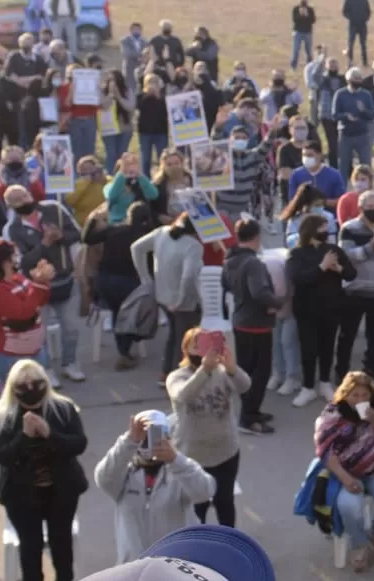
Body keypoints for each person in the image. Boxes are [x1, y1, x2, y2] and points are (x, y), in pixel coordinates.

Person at [0, 359, 88, 581]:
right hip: (21, 495)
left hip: (61, 490)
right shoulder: (3, 416)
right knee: (30, 547)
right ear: (13, 389)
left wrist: (50, 434)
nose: (30, 390)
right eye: (23, 385)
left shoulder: (63, 409)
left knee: (61, 544)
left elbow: (79, 444)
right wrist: (23, 436)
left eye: (35, 383)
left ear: (45, 383)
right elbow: (2, 455)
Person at [315, 371, 374, 572]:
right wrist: (346, 479)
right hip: (346, 473)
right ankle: (359, 544)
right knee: (349, 507)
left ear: (371, 395)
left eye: (364, 395)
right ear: (345, 394)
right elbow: (324, 452)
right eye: (354, 395)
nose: (360, 399)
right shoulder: (333, 414)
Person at [94, 410, 215, 563]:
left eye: (155, 436)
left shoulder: (179, 472)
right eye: (144, 437)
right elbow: (102, 477)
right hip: (134, 568)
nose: (148, 443)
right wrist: (128, 442)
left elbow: (205, 491)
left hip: (176, 565)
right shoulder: (123, 474)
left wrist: (175, 459)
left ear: (168, 438)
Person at [166, 327, 251, 527]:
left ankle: (228, 545)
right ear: (186, 349)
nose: (202, 348)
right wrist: (204, 370)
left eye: (206, 343)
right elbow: (182, 395)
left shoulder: (222, 373)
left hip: (225, 453)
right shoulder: (177, 376)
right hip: (192, 457)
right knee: (197, 509)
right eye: (197, 344)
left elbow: (245, 385)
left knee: (225, 503)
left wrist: (232, 368)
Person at [2, 186, 83, 382]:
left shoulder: (54, 209)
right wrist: (45, 243)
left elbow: (78, 233)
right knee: (40, 333)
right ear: (11, 206)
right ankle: (45, 370)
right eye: (18, 200)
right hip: (37, 289)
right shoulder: (12, 230)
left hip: (65, 281)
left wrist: (61, 237)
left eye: (25, 195)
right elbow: (23, 261)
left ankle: (69, 363)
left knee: (71, 327)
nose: (24, 200)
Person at [287, 213, 357, 406]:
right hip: (306, 310)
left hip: (331, 308)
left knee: (327, 347)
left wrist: (338, 270)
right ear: (310, 231)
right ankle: (307, 387)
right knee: (308, 349)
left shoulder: (334, 250)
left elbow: (351, 274)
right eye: (322, 228)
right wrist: (321, 267)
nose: (326, 232)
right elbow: (297, 278)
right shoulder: (297, 253)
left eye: (328, 228)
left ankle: (325, 383)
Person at [223, 218, 283, 433]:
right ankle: (248, 418)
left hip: (240, 320)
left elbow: (226, 285)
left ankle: (252, 410)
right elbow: (259, 292)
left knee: (246, 371)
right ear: (257, 237)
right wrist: (277, 303)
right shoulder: (253, 263)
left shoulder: (230, 259)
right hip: (256, 323)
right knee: (260, 373)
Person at [130, 212, 203, 377]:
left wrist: (145, 278)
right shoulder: (193, 245)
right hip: (183, 300)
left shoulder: (161, 233)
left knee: (174, 334)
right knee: (184, 339)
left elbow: (136, 248)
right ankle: (179, 375)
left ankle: (166, 372)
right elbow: (189, 276)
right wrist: (181, 300)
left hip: (162, 294)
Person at [84, 201, 152, 369]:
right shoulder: (147, 235)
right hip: (129, 282)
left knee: (118, 313)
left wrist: (93, 221)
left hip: (105, 281)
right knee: (131, 315)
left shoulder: (114, 230)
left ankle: (124, 351)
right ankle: (124, 351)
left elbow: (87, 238)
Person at [338, 190, 374, 381]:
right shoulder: (349, 228)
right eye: (371, 207)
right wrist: (370, 248)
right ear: (361, 208)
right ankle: (342, 370)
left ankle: (370, 365)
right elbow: (346, 256)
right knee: (348, 334)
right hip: (355, 290)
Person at [0, 238, 56, 385]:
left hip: (34, 350)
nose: (17, 258)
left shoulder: (18, 278)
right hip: (8, 355)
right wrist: (37, 284)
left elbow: (39, 301)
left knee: (36, 396)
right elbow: (22, 314)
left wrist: (42, 280)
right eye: (13, 256)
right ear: (3, 262)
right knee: (19, 400)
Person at [342, 0, 372, 68]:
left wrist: (365, 18)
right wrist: (351, 18)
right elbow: (344, 11)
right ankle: (350, 62)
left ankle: (364, 62)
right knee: (351, 44)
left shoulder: (364, 0)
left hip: (362, 25)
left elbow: (368, 11)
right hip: (352, 25)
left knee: (363, 44)